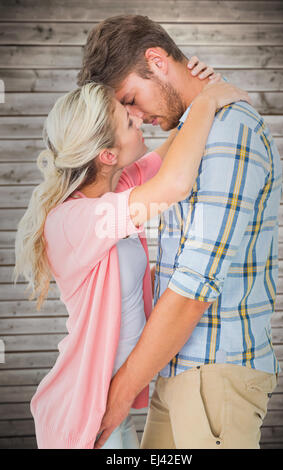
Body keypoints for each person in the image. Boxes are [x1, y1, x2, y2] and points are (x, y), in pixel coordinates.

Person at [13, 56, 248, 448]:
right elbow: (174, 184)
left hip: (111, 402)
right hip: (81, 411)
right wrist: (209, 102)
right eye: (128, 120)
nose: (138, 118)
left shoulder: (117, 189)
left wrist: (202, 91)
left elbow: (175, 151)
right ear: (107, 156)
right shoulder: (72, 221)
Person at [77, 15, 283, 449]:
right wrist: (203, 100)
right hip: (176, 370)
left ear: (157, 60)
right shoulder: (196, 130)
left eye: (130, 99)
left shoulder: (230, 131)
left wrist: (116, 397)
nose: (133, 117)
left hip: (214, 377)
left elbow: (194, 287)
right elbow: (158, 179)